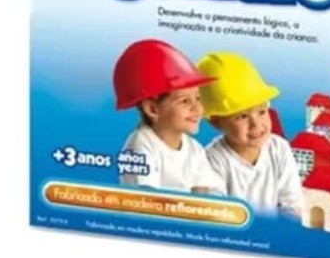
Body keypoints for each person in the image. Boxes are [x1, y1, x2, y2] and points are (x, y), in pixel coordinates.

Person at [196, 52, 304, 217]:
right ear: (216, 122)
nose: (256, 125)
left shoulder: (279, 148)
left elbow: (293, 204)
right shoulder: (211, 161)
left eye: (262, 111)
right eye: (242, 116)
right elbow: (216, 213)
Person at [112, 39, 224, 192]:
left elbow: (203, 195)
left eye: (198, 98)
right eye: (185, 101)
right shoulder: (140, 146)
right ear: (152, 109)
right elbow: (148, 200)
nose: (198, 108)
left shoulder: (194, 149)